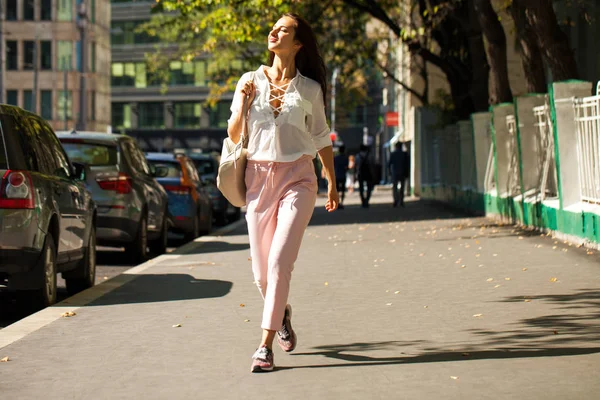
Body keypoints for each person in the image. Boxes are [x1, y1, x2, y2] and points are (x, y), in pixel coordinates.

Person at [227, 13, 339, 373]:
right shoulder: (249, 81)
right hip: (258, 182)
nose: (274, 32)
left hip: (299, 180)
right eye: (274, 28)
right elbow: (233, 134)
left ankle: (264, 346)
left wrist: (332, 181)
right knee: (261, 274)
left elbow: (321, 137)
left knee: (279, 263)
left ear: (298, 43)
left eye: (284, 29)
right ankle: (284, 313)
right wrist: (244, 104)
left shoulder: (309, 89)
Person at [388, 141, 409, 207]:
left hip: (395, 173)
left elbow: (389, 164)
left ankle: (396, 200)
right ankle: (401, 200)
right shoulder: (404, 154)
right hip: (402, 173)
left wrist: (389, 172)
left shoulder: (393, 154)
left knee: (395, 188)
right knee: (402, 187)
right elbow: (407, 164)